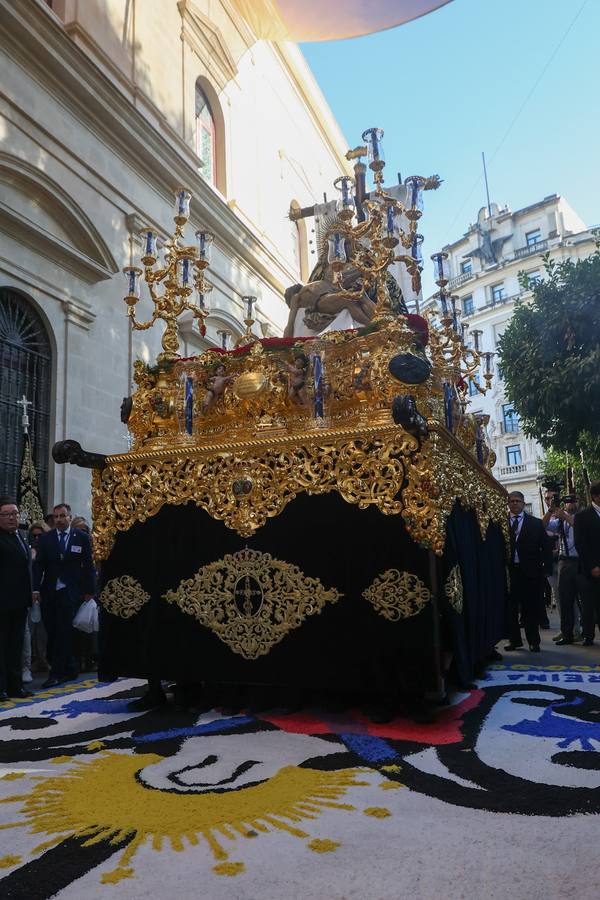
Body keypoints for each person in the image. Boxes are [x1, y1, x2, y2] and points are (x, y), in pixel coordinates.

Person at [32, 502, 96, 687]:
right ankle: (70, 667)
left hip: (71, 592)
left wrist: (89, 591)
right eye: (56, 517)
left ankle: (56, 673)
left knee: (64, 631)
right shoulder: (46, 539)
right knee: (52, 630)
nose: (59, 520)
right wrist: (36, 589)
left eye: (62, 516)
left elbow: (88, 566)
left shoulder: (81, 538)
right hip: (50, 591)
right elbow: (39, 567)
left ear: (69, 516)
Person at [505, 491, 553, 653]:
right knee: (511, 608)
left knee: (530, 608)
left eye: (518, 501)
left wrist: (547, 569)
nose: (515, 503)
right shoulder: (501, 524)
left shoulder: (535, 523)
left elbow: (546, 547)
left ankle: (533, 641)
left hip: (531, 572)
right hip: (510, 572)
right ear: (508, 503)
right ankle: (514, 640)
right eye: (511, 501)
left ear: (523, 504)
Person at [0, 498, 34, 700]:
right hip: (2, 603)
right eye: (7, 514)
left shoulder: (20, 536)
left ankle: (15, 687)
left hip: (20, 602)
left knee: (15, 647)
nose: (12, 517)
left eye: (14, 513)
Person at [543, 495, 581, 645]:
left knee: (585, 598)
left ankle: (583, 631)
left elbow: (578, 527)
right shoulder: (559, 521)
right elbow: (543, 525)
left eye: (572, 501)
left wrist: (565, 515)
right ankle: (567, 633)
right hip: (564, 561)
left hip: (581, 560)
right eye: (566, 502)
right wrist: (550, 510)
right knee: (564, 599)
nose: (569, 504)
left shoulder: (582, 517)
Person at [574, 481, 600, 646]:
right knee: (589, 604)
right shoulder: (583, 516)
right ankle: (588, 635)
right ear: (595, 497)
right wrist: (592, 566)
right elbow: (580, 544)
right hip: (590, 570)